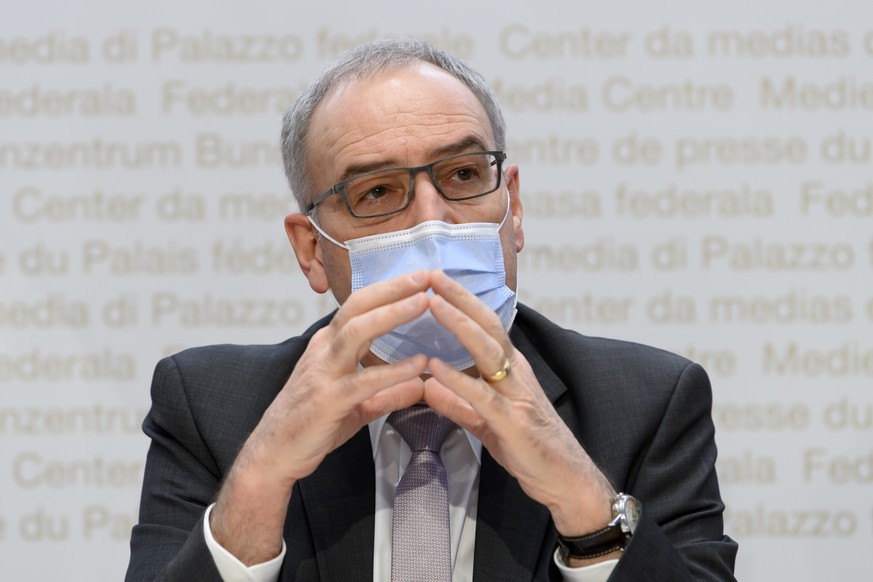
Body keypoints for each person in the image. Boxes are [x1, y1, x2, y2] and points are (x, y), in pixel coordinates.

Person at [126, 39, 738, 581]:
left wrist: (584, 503)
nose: (431, 219)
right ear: (311, 250)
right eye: (376, 192)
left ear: (513, 209)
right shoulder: (211, 408)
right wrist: (257, 486)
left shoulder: (648, 404)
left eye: (465, 173)